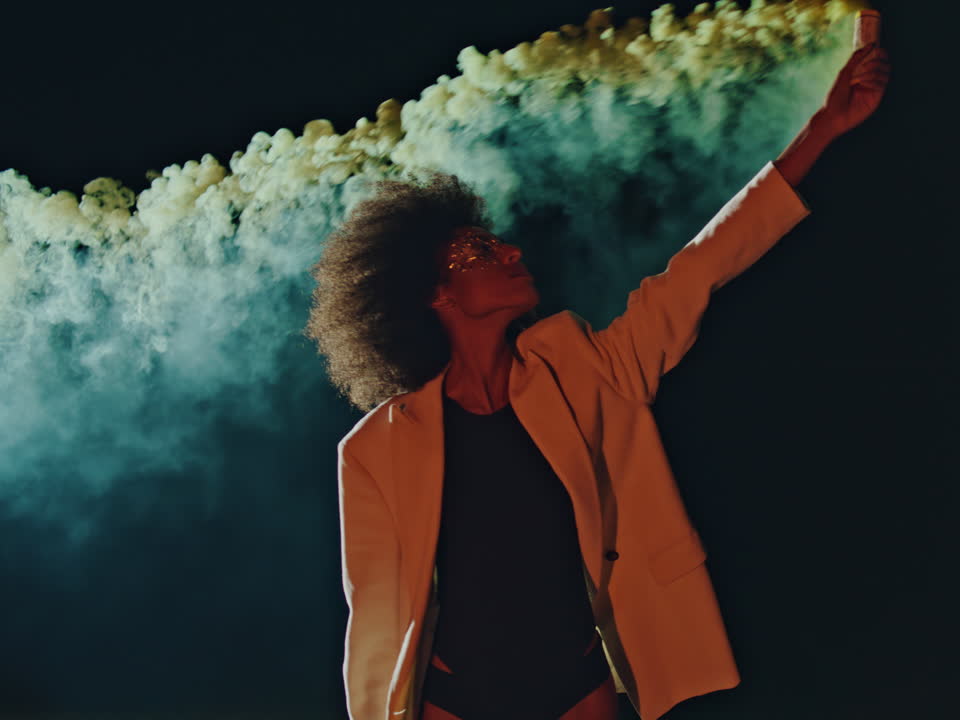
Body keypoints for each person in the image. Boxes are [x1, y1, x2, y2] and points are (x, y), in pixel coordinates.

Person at [307, 33, 890, 720]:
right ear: (435, 295)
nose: (512, 251)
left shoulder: (582, 366)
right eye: (481, 251)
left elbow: (701, 269)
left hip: (579, 686)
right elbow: (375, 625)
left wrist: (823, 130)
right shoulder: (373, 449)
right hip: (454, 700)